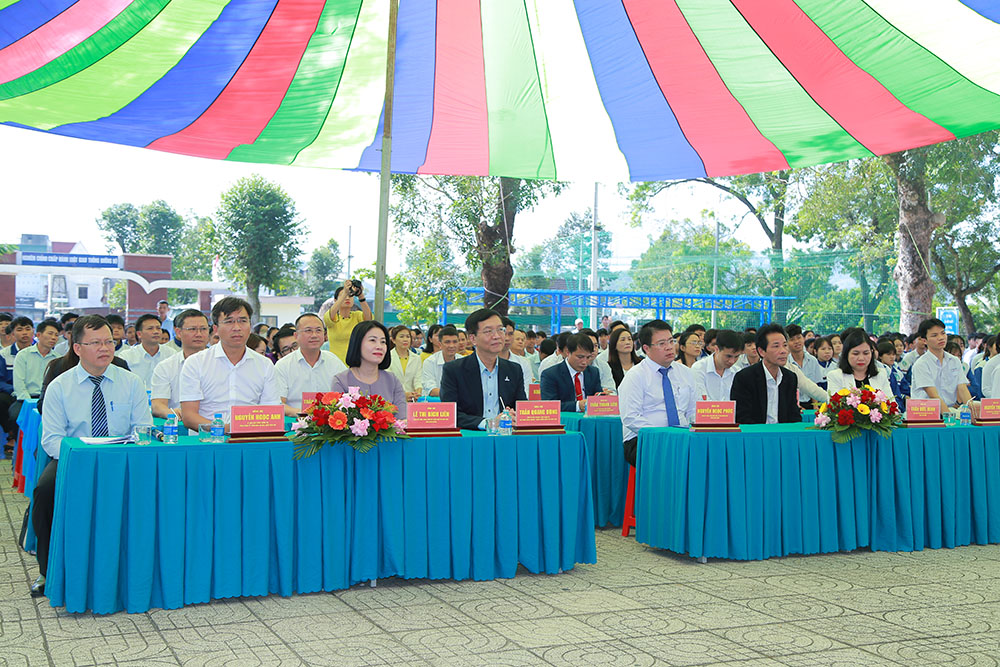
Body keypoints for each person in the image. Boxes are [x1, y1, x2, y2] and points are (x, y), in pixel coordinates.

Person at [30, 315, 152, 597]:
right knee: (45, 492)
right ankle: (48, 570)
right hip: (74, 459)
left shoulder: (131, 382)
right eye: (95, 343)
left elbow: (142, 429)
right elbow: (52, 440)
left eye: (109, 341)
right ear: (77, 348)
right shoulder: (60, 386)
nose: (105, 348)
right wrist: (84, 458)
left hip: (122, 458)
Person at [179, 297, 279, 432]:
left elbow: (270, 411)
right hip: (208, 438)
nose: (237, 328)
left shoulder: (265, 364)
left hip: (250, 438)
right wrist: (227, 429)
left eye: (243, 321)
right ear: (216, 328)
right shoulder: (195, 363)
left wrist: (242, 431)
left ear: (250, 326)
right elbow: (189, 416)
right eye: (229, 321)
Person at [619, 320, 697, 466]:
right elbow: (630, 417)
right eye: (661, 344)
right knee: (668, 454)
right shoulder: (635, 376)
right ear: (646, 348)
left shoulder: (686, 373)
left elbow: (693, 410)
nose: (669, 347)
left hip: (681, 435)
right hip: (643, 438)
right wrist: (662, 435)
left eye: (671, 341)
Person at [440, 308, 526, 430]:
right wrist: (488, 423)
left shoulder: (514, 370)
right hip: (471, 436)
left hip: (505, 435)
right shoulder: (454, 370)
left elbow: (521, 408)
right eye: (488, 331)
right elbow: (451, 414)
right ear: (473, 338)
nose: (497, 336)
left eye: (500, 330)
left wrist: (513, 415)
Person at [275, 313, 347, 416]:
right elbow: (278, 403)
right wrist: (304, 414)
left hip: (329, 420)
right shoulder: (283, 365)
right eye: (308, 330)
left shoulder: (334, 361)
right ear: (296, 336)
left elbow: (347, 395)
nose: (314, 335)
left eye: (318, 330)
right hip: (296, 421)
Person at [332, 321, 407, 419]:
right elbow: (339, 421)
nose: (379, 347)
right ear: (357, 343)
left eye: (383, 342)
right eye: (372, 340)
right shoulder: (341, 381)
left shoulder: (392, 380)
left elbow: (402, 419)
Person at [730, 324, 800, 425]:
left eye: (785, 345)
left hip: (783, 433)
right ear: (762, 351)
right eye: (776, 346)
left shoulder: (790, 378)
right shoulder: (744, 378)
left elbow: (794, 416)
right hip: (756, 433)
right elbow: (742, 417)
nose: (783, 351)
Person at [150, 309, 210, 419]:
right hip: (181, 423)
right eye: (192, 329)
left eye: (203, 329)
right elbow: (157, 405)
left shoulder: (221, 362)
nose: (199, 334)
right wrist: (171, 413)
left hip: (216, 423)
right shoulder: (165, 367)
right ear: (178, 332)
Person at [910, 317, 976, 414]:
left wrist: (973, 413)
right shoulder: (921, 364)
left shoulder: (954, 361)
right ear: (924, 340)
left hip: (949, 409)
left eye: (943, 333)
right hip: (926, 413)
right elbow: (933, 396)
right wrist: (949, 417)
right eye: (934, 335)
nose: (941, 338)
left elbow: (962, 388)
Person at [9, 319, 60, 426]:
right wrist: (30, 403)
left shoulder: (58, 358)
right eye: (50, 333)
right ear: (38, 335)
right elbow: (19, 383)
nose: (53, 338)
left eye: (56, 335)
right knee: (16, 415)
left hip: (48, 399)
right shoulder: (23, 355)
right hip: (26, 398)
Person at [540, 334, 603, 412]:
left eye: (588, 357)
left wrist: (602, 398)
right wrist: (578, 406)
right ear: (568, 352)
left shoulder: (593, 372)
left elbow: (597, 397)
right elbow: (549, 405)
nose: (584, 362)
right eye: (580, 357)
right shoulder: (550, 375)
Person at [825, 331, 894, 397]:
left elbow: (891, 402)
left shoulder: (881, 374)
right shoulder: (835, 376)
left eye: (866, 353)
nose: (861, 358)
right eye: (856, 354)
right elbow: (833, 403)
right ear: (846, 353)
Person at [118, 314, 176, 390]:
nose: (156, 332)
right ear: (139, 334)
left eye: (158, 328)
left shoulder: (171, 354)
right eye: (150, 328)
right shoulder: (126, 356)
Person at [323, 279, 373, 362]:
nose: (347, 298)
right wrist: (345, 292)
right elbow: (330, 315)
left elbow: (369, 320)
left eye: (350, 296)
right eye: (343, 296)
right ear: (335, 300)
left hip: (356, 363)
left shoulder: (357, 315)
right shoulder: (333, 317)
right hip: (336, 363)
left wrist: (360, 295)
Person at [691, 329, 742, 401]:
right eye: (728, 356)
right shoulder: (699, 369)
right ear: (716, 349)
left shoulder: (737, 371)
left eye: (736, 356)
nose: (732, 361)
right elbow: (701, 401)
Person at [420, 325, 462, 398]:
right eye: (447, 342)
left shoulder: (463, 361)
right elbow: (431, 390)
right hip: (436, 402)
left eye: (455, 342)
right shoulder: (430, 362)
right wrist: (455, 393)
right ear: (440, 344)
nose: (451, 345)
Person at [498, 317, 534, 393]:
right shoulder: (487, 361)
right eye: (504, 333)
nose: (507, 338)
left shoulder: (523, 363)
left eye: (510, 334)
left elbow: (526, 390)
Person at [387, 326, 423, 402]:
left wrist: (418, 391)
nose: (405, 339)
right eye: (401, 336)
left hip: (412, 400)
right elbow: (388, 382)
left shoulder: (416, 358)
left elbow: (418, 379)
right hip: (392, 400)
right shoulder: (387, 357)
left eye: (408, 337)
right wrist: (402, 394)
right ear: (393, 340)